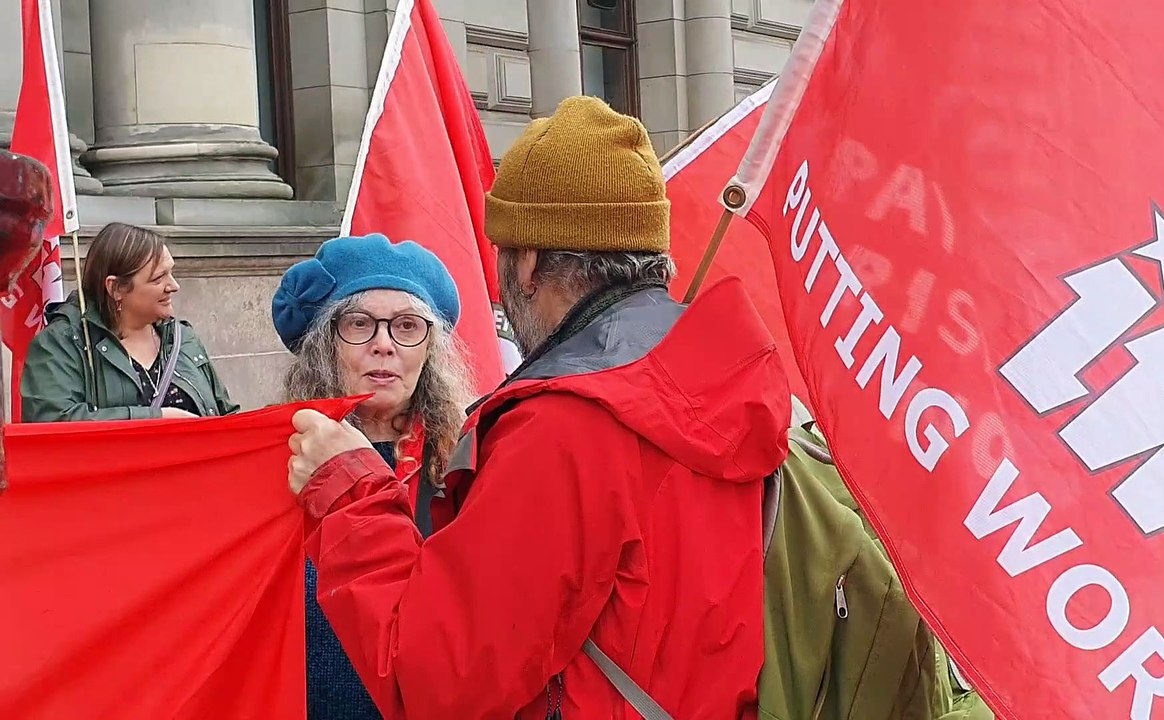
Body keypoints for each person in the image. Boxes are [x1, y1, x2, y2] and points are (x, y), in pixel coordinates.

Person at [287, 96, 791, 719]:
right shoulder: (722, 382)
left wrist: (352, 491)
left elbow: (440, 678)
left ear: (527, 263)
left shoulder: (565, 423)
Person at [271, 232, 473, 720]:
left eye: (407, 326)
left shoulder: (468, 463)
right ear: (324, 344)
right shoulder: (284, 459)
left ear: (431, 351)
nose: (384, 345)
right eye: (359, 324)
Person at [20, 222, 238, 422]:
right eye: (158, 278)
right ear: (116, 288)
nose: (174, 286)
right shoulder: (63, 344)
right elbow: (52, 423)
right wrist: (156, 418)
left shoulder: (182, 337)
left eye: (171, 273)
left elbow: (226, 415)